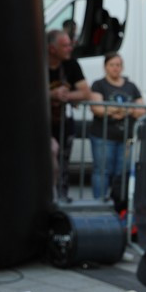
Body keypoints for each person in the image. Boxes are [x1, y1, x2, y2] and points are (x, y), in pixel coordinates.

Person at [89, 52, 144, 202]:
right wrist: (127, 109)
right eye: (112, 65)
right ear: (105, 67)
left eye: (118, 65)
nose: (115, 68)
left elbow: (142, 109)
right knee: (102, 171)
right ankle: (99, 202)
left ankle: (118, 202)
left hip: (126, 138)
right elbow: (97, 108)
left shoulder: (131, 86)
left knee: (122, 173)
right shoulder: (98, 84)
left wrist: (114, 109)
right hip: (103, 136)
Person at [48, 29, 90, 199]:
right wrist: (51, 95)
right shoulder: (36, 63)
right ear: (52, 49)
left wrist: (65, 96)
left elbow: (85, 92)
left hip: (64, 123)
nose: (70, 49)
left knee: (64, 161)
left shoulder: (71, 65)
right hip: (42, 124)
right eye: (65, 46)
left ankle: (61, 198)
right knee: (51, 153)